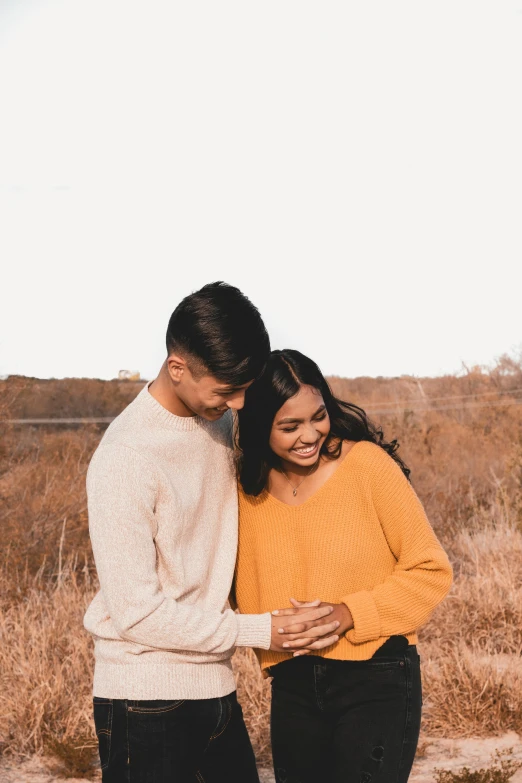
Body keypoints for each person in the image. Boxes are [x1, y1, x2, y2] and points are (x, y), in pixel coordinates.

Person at [84, 285, 336, 783]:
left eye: (245, 387)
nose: (240, 402)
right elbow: (137, 614)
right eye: (225, 390)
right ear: (177, 367)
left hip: (215, 688)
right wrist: (261, 630)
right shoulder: (125, 458)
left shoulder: (220, 420)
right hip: (143, 701)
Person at [235, 349, 453, 783]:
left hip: (377, 676)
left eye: (318, 416)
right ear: (261, 427)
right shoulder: (246, 491)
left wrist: (349, 613)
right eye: (289, 426)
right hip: (291, 683)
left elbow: (431, 570)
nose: (309, 434)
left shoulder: (367, 466)